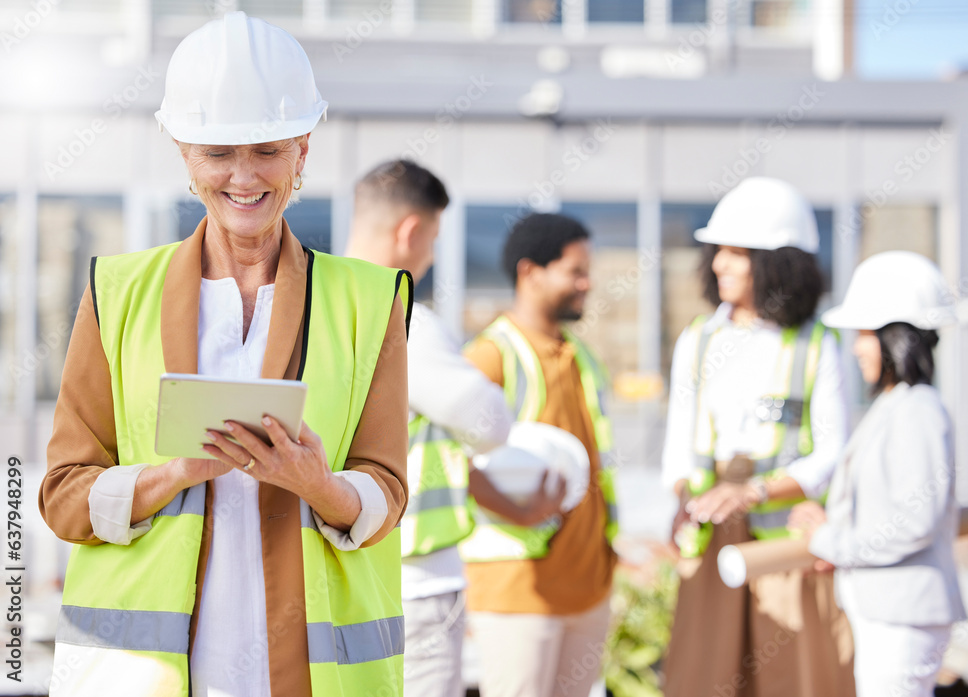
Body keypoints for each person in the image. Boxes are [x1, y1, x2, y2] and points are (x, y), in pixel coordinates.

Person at [38, 13, 410, 697]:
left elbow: (387, 487)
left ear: (304, 150)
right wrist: (174, 473)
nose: (243, 176)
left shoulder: (369, 300)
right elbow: (63, 496)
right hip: (147, 677)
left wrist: (317, 484)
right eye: (217, 153)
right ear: (184, 153)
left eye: (267, 149)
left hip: (305, 675)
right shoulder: (117, 293)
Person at [660, 177, 855, 696]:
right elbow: (680, 445)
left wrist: (755, 492)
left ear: (778, 264)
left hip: (786, 543)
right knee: (703, 679)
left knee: (793, 679)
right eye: (717, 251)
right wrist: (687, 499)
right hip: (710, 540)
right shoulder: (698, 340)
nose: (718, 263)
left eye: (736, 252)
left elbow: (833, 453)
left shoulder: (819, 344)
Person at [344, 159, 511, 697]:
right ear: (410, 231)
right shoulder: (399, 312)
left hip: (339, 574)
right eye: (434, 238)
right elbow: (489, 424)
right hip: (416, 578)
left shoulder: (312, 303)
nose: (432, 255)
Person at [791, 251, 968, 697]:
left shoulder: (916, 411)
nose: (856, 348)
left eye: (865, 334)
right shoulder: (898, 406)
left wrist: (826, 539)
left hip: (903, 615)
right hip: (891, 612)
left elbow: (913, 521)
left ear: (895, 336)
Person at [461, 212, 619, 697]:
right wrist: (518, 509)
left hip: (587, 588)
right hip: (518, 593)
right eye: (575, 271)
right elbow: (447, 458)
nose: (587, 283)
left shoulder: (579, 356)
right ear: (530, 273)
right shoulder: (490, 356)